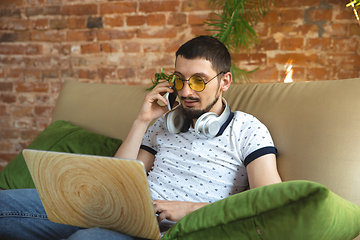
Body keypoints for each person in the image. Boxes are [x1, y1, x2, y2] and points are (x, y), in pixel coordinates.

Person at [0, 35, 281, 240]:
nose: (185, 92)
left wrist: (192, 209)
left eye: (198, 80)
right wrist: (142, 120)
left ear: (225, 81)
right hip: (121, 211)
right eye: (179, 80)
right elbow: (116, 177)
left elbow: (269, 204)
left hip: (173, 231)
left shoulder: (248, 129)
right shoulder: (166, 123)